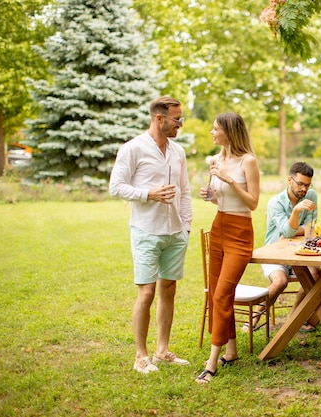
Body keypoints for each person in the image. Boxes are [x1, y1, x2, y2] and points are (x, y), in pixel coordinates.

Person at [109, 96, 192, 374]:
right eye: (176, 119)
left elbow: (185, 190)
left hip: (175, 232)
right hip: (146, 230)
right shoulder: (133, 149)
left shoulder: (178, 151)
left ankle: (162, 351)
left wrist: (186, 226)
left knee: (169, 289)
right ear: (159, 118)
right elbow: (116, 187)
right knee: (146, 292)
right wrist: (148, 194)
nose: (180, 124)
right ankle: (140, 356)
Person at [196, 112, 260, 384]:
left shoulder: (248, 161)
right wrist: (210, 195)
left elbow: (253, 203)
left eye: (215, 129)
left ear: (229, 132)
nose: (212, 132)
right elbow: (220, 199)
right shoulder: (215, 160)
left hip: (240, 232)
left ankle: (212, 363)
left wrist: (230, 180)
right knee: (217, 292)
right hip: (219, 225)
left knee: (222, 294)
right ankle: (231, 352)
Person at [251, 162, 321, 333]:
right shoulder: (275, 202)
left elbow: (310, 228)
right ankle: (254, 318)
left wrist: (295, 231)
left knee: (316, 274)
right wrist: (296, 212)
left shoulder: (311, 196)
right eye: (300, 184)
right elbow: (287, 231)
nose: (304, 189)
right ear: (290, 180)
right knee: (280, 282)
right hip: (274, 253)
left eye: (307, 185)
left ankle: (293, 318)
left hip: (300, 253)